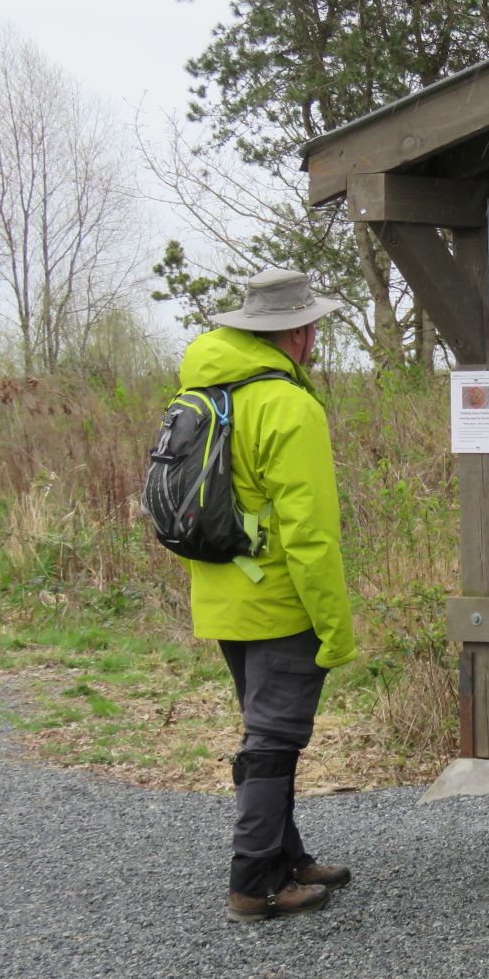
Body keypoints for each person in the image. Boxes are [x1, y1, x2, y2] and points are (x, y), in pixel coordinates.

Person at [175, 268, 358, 920]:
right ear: (300, 333)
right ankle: (253, 884)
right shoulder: (286, 405)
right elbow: (310, 537)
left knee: (263, 733)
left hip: (224, 595)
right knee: (273, 742)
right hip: (279, 602)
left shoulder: (210, 388)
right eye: (312, 326)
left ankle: (288, 857)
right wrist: (334, 627)